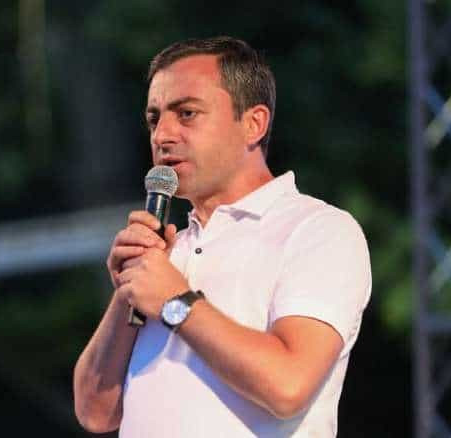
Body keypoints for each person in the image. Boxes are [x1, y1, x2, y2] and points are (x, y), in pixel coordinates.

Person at [73, 36, 371, 437]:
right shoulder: (166, 254)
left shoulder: (317, 230)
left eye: (187, 114)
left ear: (253, 124)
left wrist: (176, 302)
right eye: (154, 119)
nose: (162, 135)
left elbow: (288, 386)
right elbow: (94, 411)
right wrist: (130, 288)